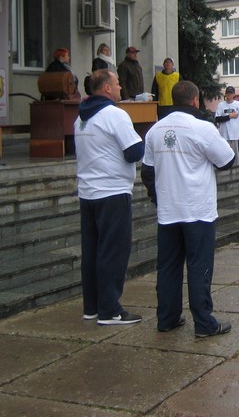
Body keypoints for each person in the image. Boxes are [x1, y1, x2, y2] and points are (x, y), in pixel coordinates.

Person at [140, 80, 235, 337]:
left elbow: (147, 171)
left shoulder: (155, 130)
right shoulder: (201, 128)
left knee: (168, 266)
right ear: (195, 100)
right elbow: (227, 160)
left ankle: (167, 318)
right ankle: (204, 323)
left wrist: (158, 199)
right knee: (199, 266)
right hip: (197, 210)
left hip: (168, 211)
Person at [74, 69, 144, 325]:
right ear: (106, 89)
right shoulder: (115, 115)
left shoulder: (80, 118)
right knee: (113, 252)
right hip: (112, 192)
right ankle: (110, 310)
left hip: (88, 192)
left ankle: (91, 306)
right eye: (116, 84)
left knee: (92, 251)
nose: (120, 88)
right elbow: (134, 151)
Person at [215, 86, 239, 166]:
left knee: (236, 157)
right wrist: (230, 116)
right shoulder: (221, 105)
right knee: (225, 156)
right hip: (224, 135)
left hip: (235, 136)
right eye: (228, 93)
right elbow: (217, 118)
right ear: (225, 94)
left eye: (231, 93)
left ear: (234, 94)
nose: (229, 94)